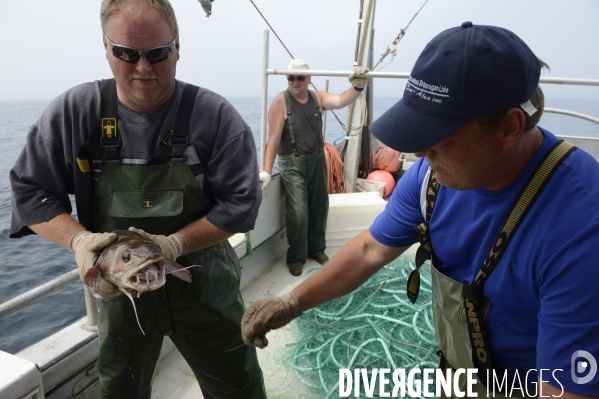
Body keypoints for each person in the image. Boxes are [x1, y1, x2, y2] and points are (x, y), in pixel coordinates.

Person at [241, 22, 599, 398]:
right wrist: (291, 303)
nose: (418, 156)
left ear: (510, 127)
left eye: (439, 139)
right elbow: (369, 250)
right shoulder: (432, 177)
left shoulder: (580, 226)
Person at [9, 0, 266, 397]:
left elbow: (242, 202)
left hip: (203, 285)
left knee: (238, 387)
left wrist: (173, 244)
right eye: (127, 54)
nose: (143, 68)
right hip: (118, 288)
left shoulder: (215, 117)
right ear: (106, 48)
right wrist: (80, 242)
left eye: (158, 54)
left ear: (178, 47)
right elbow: (29, 190)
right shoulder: (76, 113)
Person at [259, 58, 368, 276]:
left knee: (319, 207)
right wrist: (266, 171)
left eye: (300, 77)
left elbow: (340, 100)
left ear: (309, 79)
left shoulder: (317, 98)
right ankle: (296, 257)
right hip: (292, 162)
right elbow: (273, 139)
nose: (295, 82)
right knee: (298, 212)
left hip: (317, 160)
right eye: (291, 77)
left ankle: (316, 249)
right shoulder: (281, 101)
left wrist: (357, 85)